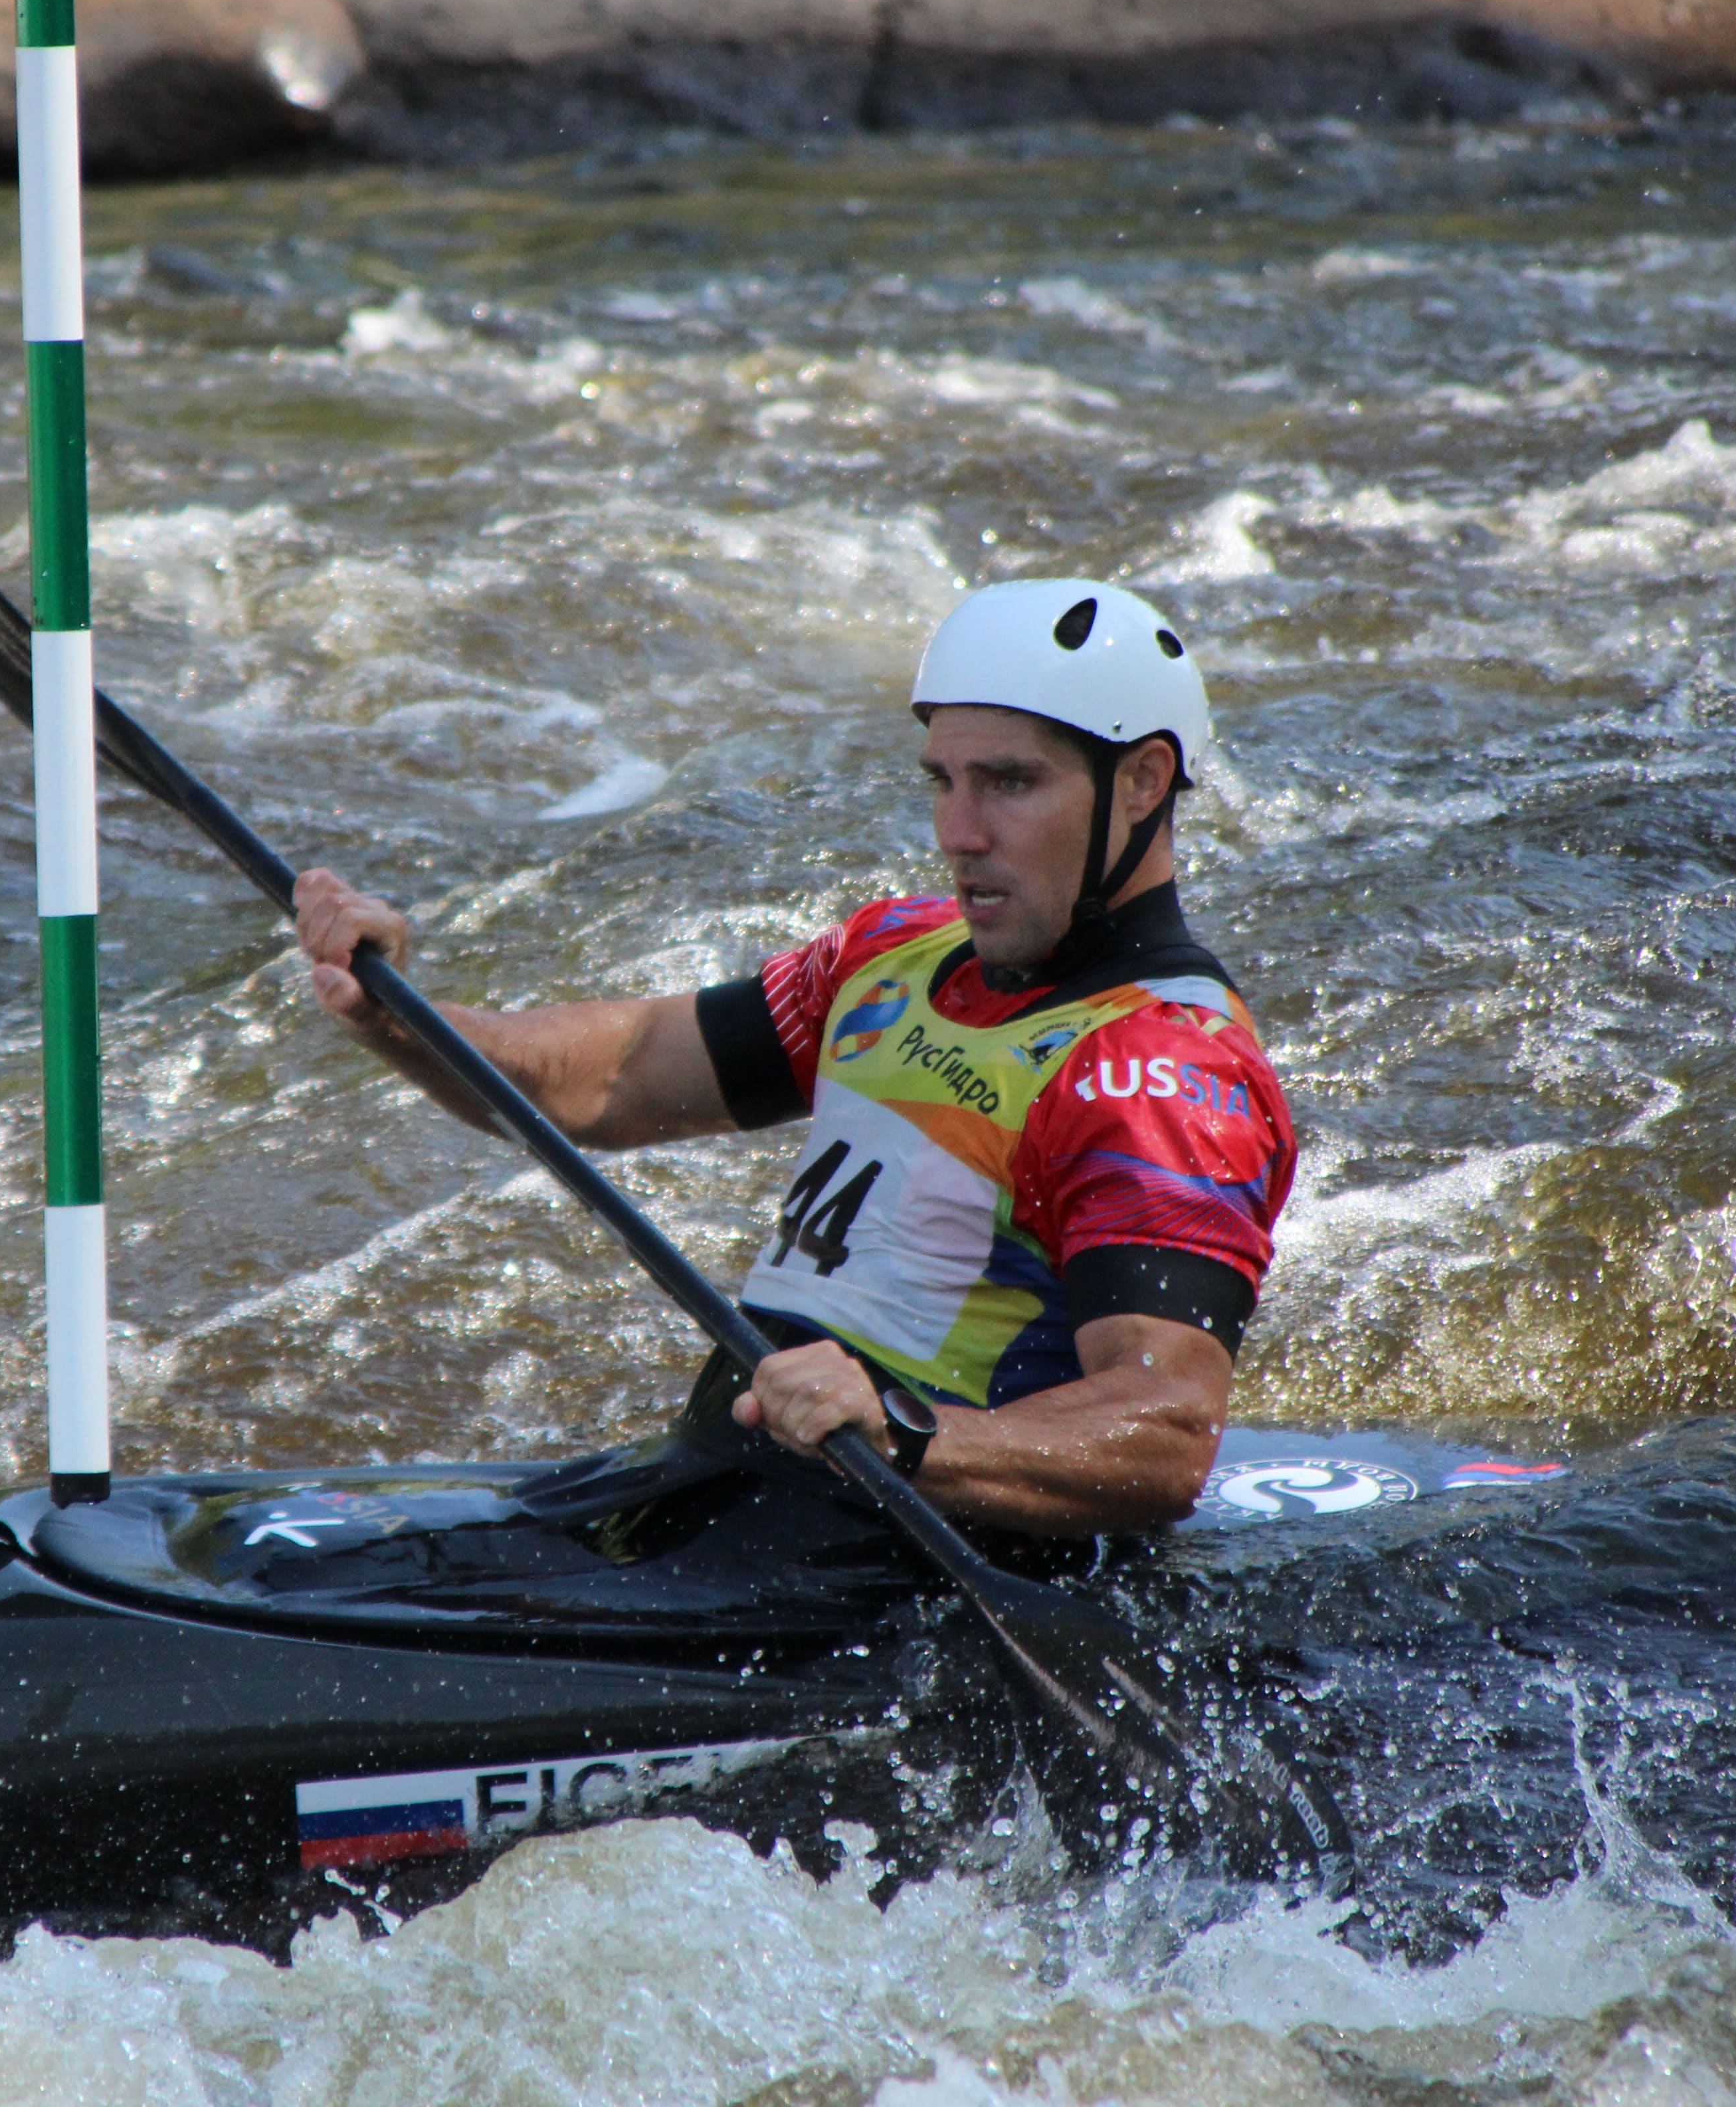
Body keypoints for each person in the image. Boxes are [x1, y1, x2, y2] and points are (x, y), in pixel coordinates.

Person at [294, 578, 1295, 1538]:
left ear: (1143, 781)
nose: (959, 833)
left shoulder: (1159, 1072)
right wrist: (400, 1015)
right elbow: (616, 1077)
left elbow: (1164, 1433)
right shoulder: (893, 956)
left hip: (896, 1566)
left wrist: (907, 1433)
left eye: (1010, 783)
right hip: (727, 1496)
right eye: (943, 781)